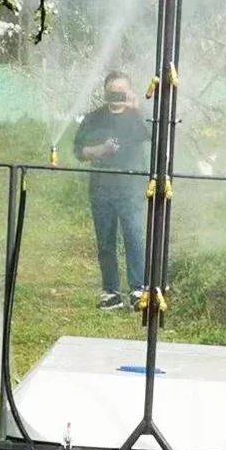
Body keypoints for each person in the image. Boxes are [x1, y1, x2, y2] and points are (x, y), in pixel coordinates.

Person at [73, 71, 149, 311]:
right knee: (105, 241)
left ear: (129, 92)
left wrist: (138, 110)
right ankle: (111, 292)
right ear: (105, 90)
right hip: (101, 187)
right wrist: (99, 151)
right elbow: (78, 150)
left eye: (121, 90)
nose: (116, 94)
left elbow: (151, 135)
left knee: (134, 237)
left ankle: (138, 290)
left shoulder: (138, 117)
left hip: (131, 186)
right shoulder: (94, 117)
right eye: (112, 89)